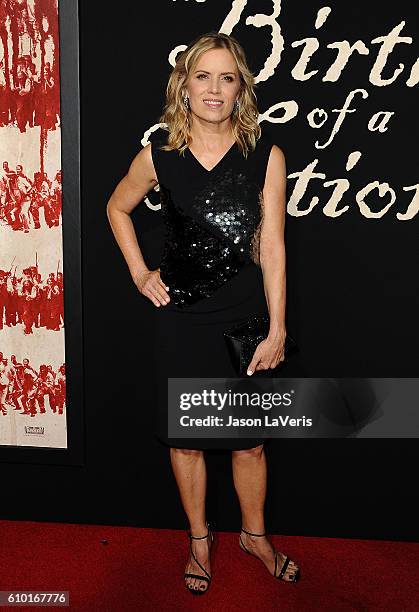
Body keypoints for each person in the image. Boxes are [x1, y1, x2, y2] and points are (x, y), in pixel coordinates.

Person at [106, 31, 300, 595]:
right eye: (203, 76)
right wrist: (141, 274)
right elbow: (117, 206)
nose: (214, 89)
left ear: (241, 89)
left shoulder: (266, 155)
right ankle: (199, 539)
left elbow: (272, 247)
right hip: (182, 318)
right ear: (184, 85)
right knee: (187, 440)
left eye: (227, 78)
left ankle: (254, 536)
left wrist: (278, 327)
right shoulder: (160, 155)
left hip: (245, 319)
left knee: (250, 441)